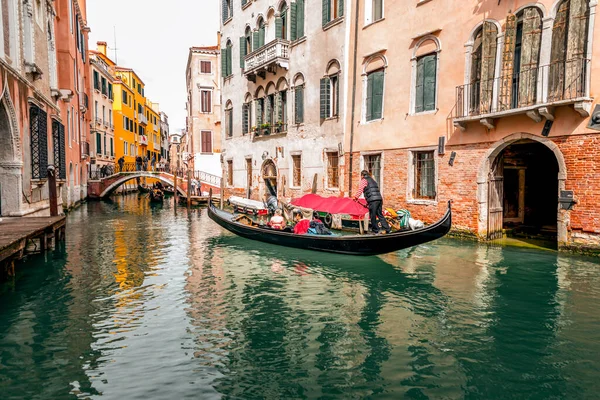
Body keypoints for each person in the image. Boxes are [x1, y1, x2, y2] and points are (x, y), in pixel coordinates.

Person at [354, 170, 391, 234]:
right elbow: (373, 192)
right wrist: (367, 203)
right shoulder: (373, 180)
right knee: (380, 215)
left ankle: (375, 231)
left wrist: (356, 197)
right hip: (379, 199)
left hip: (373, 201)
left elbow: (360, 190)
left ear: (362, 175)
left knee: (372, 216)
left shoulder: (363, 180)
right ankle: (387, 229)